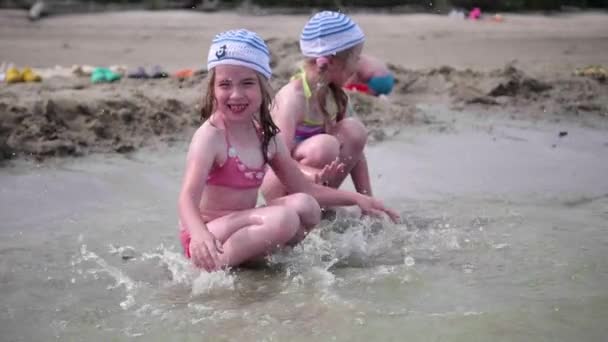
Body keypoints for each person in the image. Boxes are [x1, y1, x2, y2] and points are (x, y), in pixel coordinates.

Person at [178, 29, 399, 272]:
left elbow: (303, 188)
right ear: (213, 89)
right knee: (284, 219)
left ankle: (253, 263)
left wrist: (359, 199)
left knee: (307, 206)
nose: (236, 94)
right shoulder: (211, 136)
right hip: (207, 236)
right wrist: (199, 236)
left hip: (245, 227)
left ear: (263, 88)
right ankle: (213, 267)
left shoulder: (266, 136)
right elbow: (187, 199)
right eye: (225, 84)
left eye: (248, 83)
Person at [261, 11, 375, 202]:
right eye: (356, 58)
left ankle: (322, 204)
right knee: (324, 146)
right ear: (331, 62)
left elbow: (357, 155)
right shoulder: (292, 98)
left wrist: (367, 200)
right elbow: (276, 158)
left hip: (316, 181)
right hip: (278, 180)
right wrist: (311, 175)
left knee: (354, 129)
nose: (357, 67)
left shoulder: (336, 96)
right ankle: (295, 205)